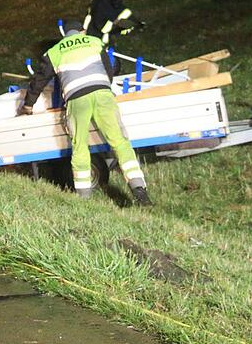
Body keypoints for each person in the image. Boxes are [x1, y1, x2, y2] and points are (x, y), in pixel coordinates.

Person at [19, 21, 153, 206]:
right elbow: (108, 69)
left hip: (77, 100)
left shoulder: (55, 52)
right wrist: (104, 87)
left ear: (64, 35)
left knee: (79, 146)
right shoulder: (94, 42)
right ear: (81, 31)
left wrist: (28, 105)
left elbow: (39, 80)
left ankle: (84, 197)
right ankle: (140, 192)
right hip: (102, 95)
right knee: (120, 142)